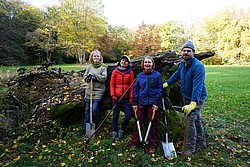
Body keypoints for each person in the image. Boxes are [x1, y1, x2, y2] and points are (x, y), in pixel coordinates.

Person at [163, 40, 207, 155]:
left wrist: (193, 103)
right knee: (196, 119)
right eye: (184, 50)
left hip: (197, 98)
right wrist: (167, 84)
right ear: (181, 52)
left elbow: (197, 87)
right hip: (186, 96)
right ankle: (201, 142)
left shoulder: (198, 67)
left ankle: (189, 147)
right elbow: (176, 75)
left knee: (189, 120)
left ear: (193, 53)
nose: (186, 53)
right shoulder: (183, 64)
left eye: (189, 51)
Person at [131, 56, 163, 154]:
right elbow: (136, 90)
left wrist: (156, 103)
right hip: (141, 103)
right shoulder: (140, 76)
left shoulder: (157, 75)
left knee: (153, 124)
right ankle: (134, 142)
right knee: (137, 122)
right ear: (143, 64)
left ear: (152, 64)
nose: (147, 64)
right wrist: (135, 103)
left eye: (149, 62)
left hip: (153, 104)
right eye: (145, 62)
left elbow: (160, 90)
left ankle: (152, 145)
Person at [110, 55, 135, 140]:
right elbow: (112, 84)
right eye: (122, 60)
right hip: (117, 97)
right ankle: (114, 131)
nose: (123, 62)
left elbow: (132, 86)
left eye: (126, 61)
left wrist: (131, 97)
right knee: (115, 115)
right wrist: (113, 95)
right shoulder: (115, 71)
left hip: (126, 99)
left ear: (128, 63)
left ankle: (122, 130)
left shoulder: (130, 72)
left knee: (128, 115)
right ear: (120, 62)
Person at [83, 50, 107, 135]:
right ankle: (86, 129)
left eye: (98, 56)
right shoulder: (89, 67)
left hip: (98, 91)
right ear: (92, 58)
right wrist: (89, 77)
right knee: (87, 111)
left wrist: (95, 76)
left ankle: (95, 128)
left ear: (100, 57)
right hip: (89, 91)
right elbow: (85, 78)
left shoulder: (103, 67)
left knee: (94, 109)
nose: (96, 58)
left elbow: (104, 78)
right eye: (94, 56)